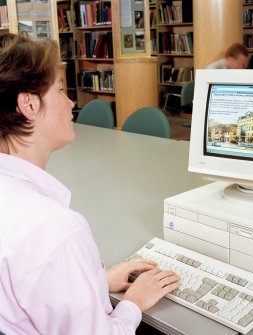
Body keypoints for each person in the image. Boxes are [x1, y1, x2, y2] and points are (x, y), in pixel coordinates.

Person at [0, 33, 180, 334]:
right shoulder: (56, 231)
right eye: (59, 90)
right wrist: (133, 303)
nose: (71, 102)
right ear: (29, 105)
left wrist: (94, 282)